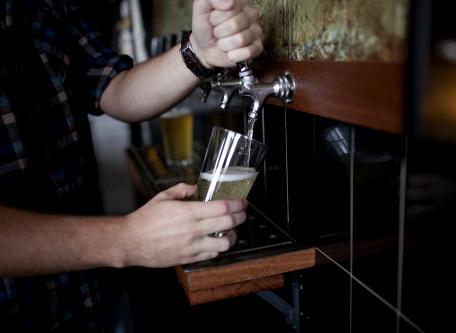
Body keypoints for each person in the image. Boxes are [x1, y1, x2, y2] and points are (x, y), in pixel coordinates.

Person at [0, 0, 263, 331]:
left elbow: (111, 87)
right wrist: (126, 239)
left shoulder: (44, 6)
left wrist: (200, 53)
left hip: (87, 299)